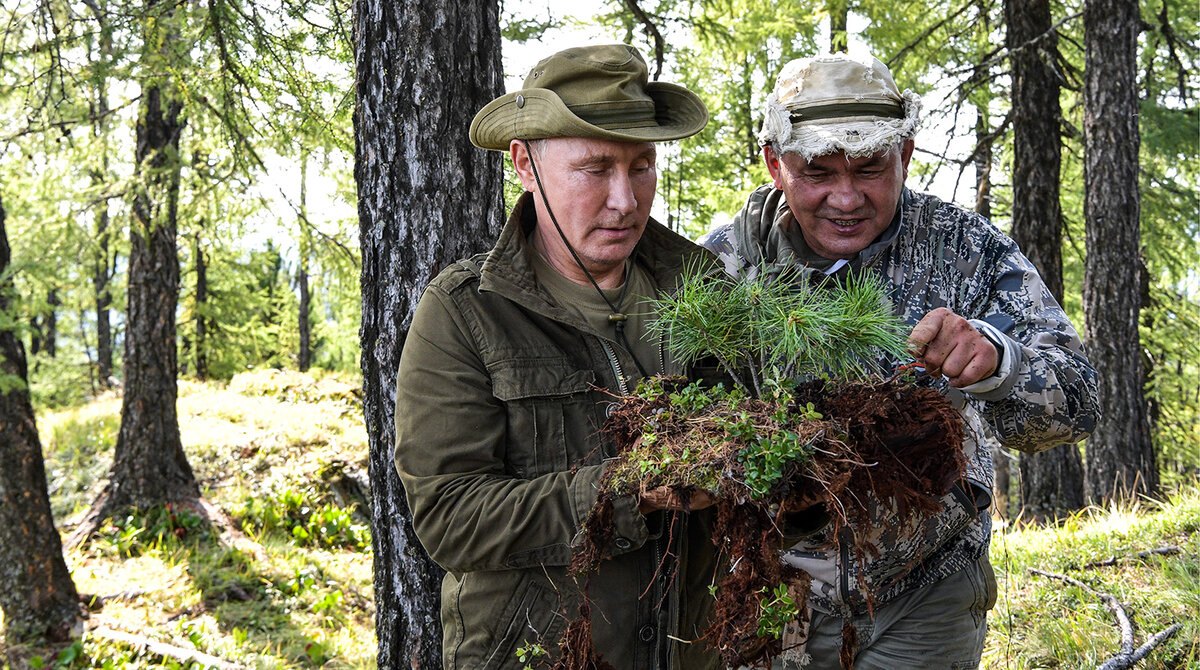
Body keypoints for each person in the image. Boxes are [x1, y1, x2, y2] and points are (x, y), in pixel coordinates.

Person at [701, 53, 1100, 669]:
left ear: (906, 156)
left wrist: (1000, 363)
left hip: (925, 594)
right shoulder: (724, 270)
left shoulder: (964, 252)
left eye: (869, 169)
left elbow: (1078, 403)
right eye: (817, 171)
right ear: (775, 165)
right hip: (767, 596)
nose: (846, 196)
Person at [393, 44, 724, 670]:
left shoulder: (701, 286)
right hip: (537, 654)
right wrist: (628, 492)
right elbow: (449, 516)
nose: (625, 200)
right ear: (525, 163)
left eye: (642, 166)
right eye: (595, 169)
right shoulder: (467, 311)